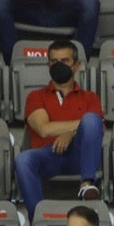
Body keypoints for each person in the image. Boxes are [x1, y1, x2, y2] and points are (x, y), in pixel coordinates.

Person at [15, 39, 104, 214]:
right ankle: (38, 219)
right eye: (54, 62)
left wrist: (71, 134)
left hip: (79, 155)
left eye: (65, 61)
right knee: (23, 159)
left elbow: (96, 127)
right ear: (48, 65)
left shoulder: (90, 97)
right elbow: (44, 129)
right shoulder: (35, 96)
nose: (59, 65)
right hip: (48, 155)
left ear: (77, 65)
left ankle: (86, 185)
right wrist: (76, 128)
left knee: (92, 119)